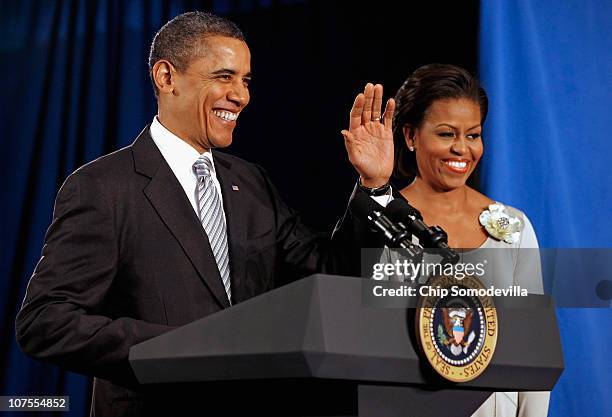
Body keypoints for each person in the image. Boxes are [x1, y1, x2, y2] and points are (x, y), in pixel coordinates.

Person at [15, 12, 394, 417]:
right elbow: (46, 321)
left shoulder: (251, 184)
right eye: (224, 77)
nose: (242, 96)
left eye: (245, 81)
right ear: (166, 78)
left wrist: (373, 187)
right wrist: (176, 349)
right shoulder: (104, 187)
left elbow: (330, 274)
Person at [344, 64, 549, 416]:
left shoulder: (513, 227)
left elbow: (532, 346)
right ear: (410, 137)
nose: (461, 149)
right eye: (445, 134)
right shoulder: (385, 223)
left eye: (473, 135)